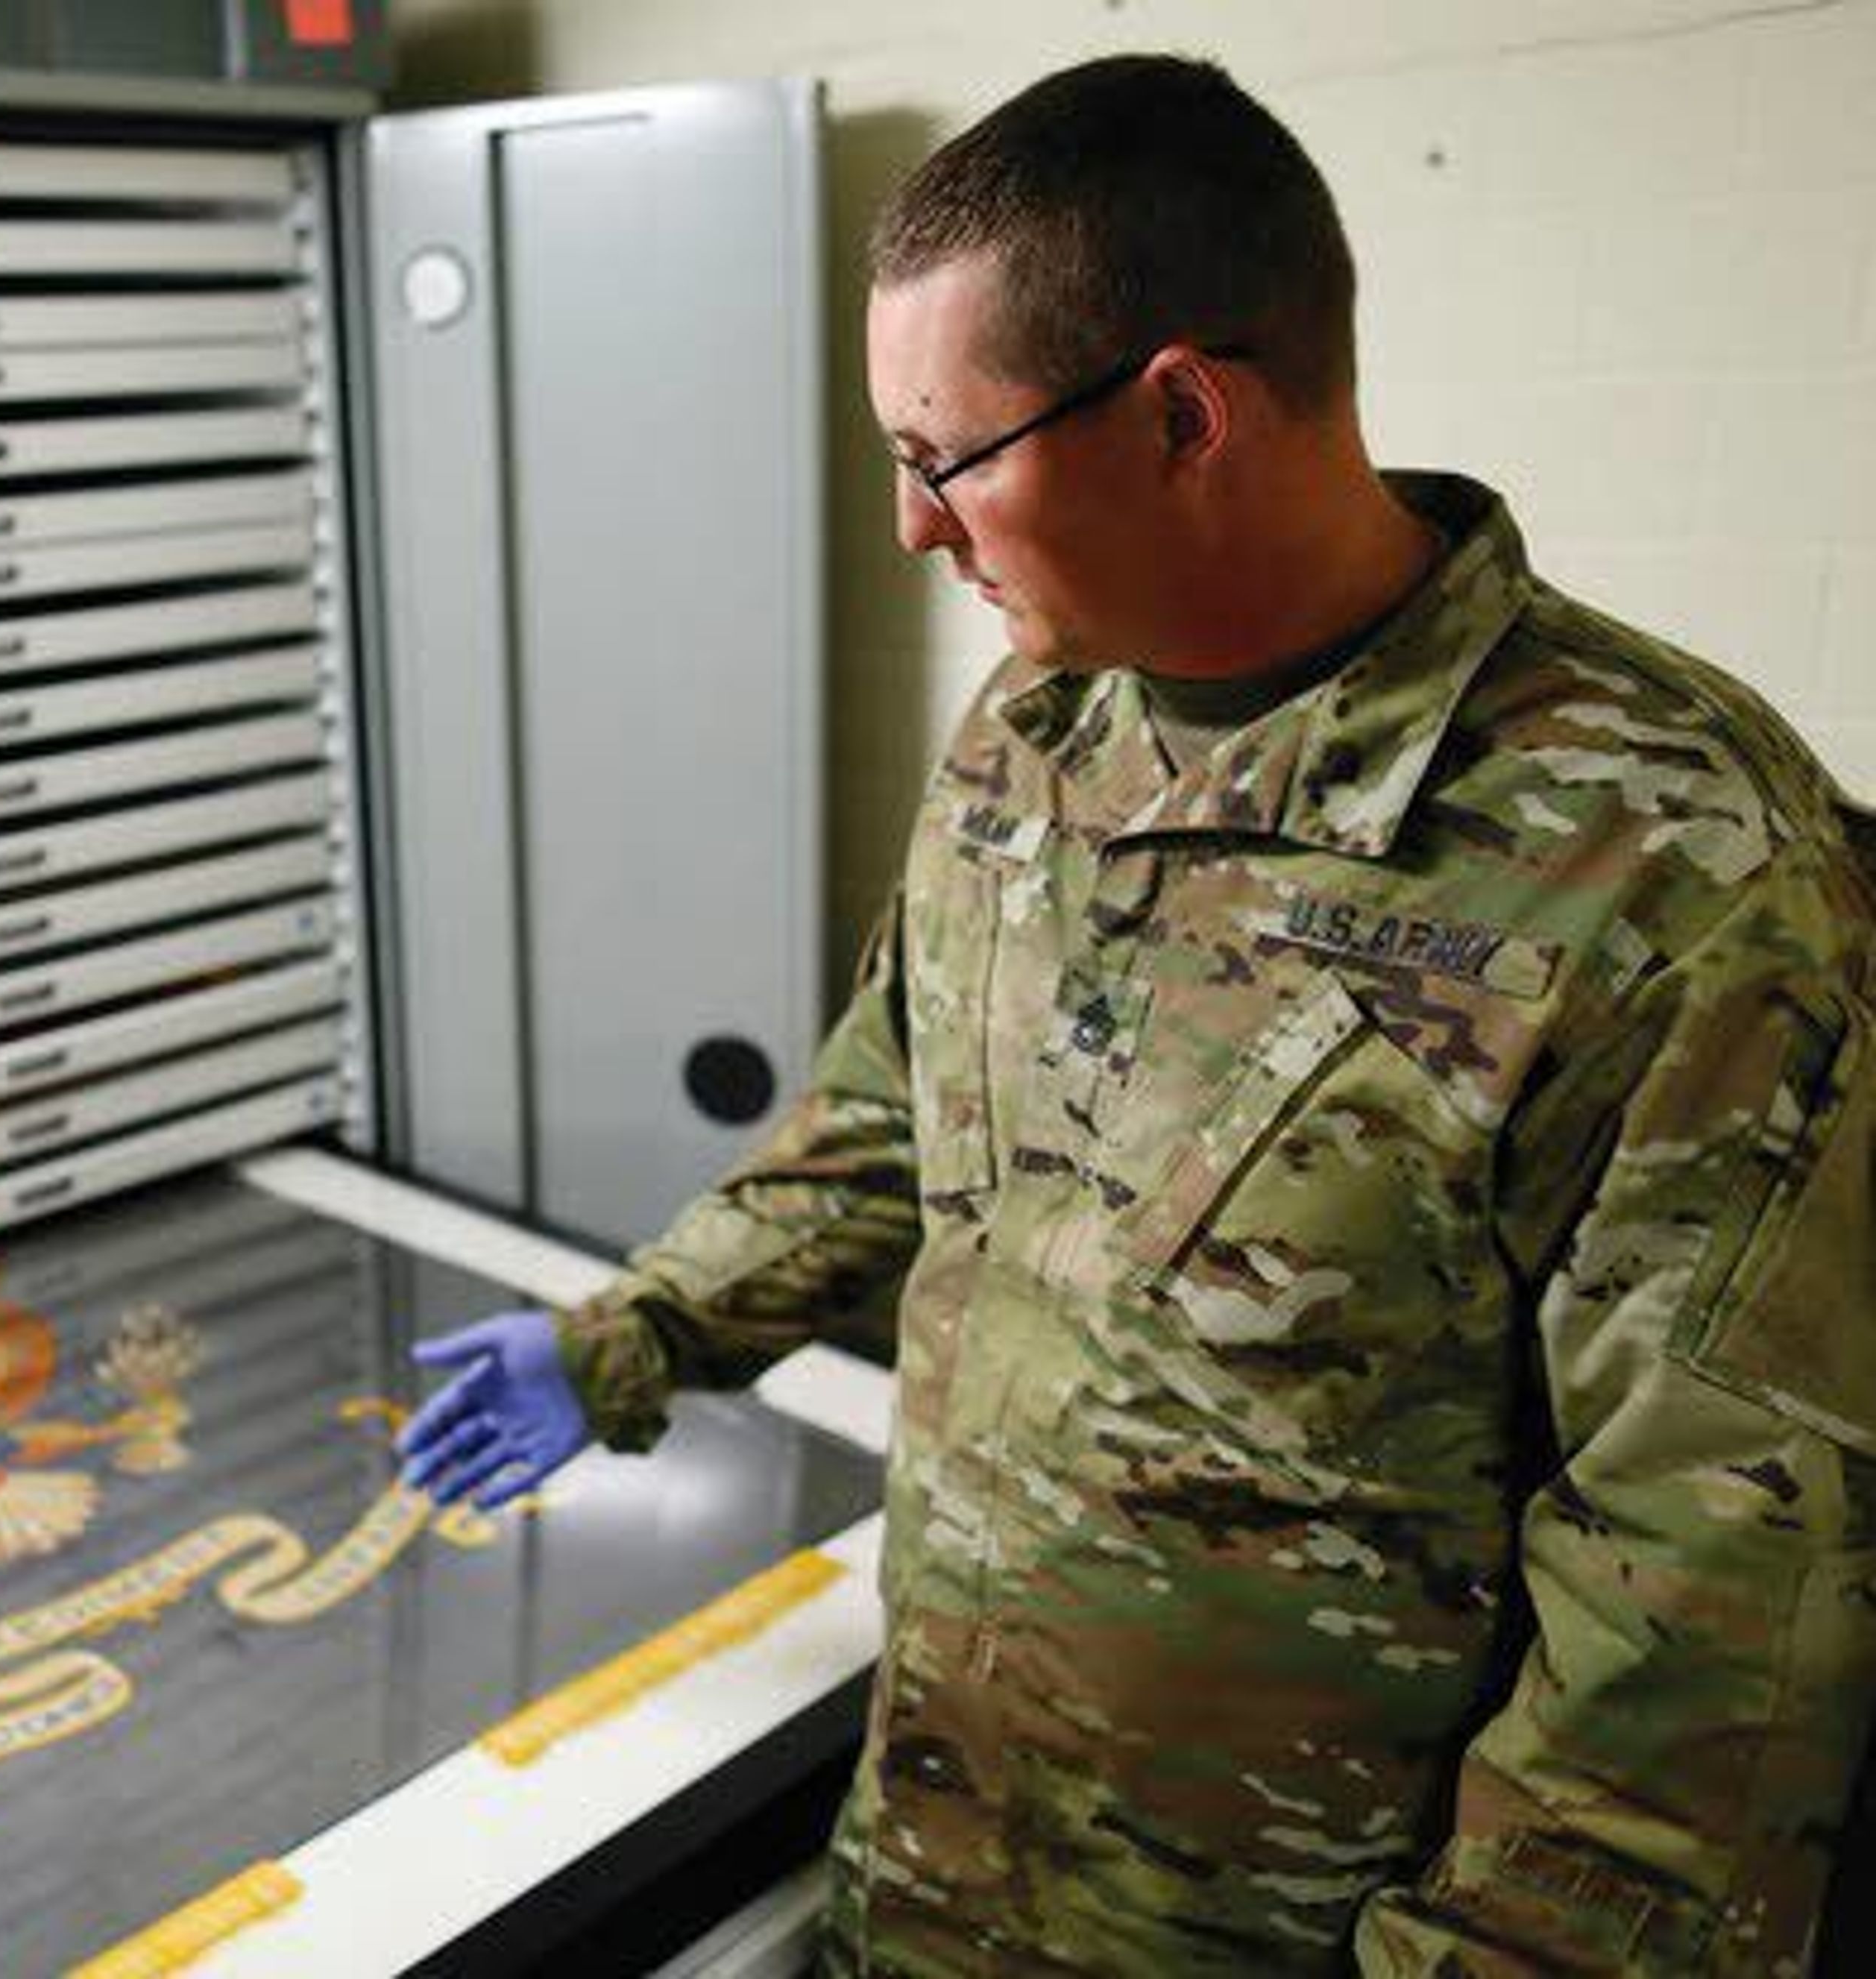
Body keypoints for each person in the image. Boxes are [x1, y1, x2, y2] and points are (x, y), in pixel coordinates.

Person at [397, 51, 1876, 1977]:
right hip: (938, 1873)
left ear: (1183, 412)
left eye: (944, 459)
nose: (914, 532)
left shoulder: (1674, 868)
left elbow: (1701, 1614)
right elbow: (882, 1122)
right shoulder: (1039, 736)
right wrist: (635, 1334)